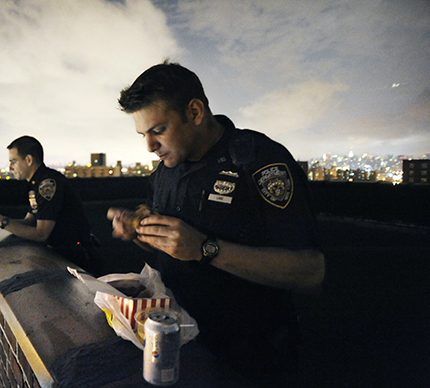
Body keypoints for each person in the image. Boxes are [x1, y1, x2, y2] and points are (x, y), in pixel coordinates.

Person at [107, 62, 325, 386]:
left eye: (158, 130)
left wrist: (206, 249)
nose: (149, 146)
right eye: (143, 134)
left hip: (249, 357)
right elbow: (164, 230)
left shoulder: (259, 161)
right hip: (177, 343)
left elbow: (310, 271)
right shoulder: (165, 170)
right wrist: (137, 227)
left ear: (195, 112)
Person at [0, 136, 94, 270]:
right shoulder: (35, 184)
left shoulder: (48, 184)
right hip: (63, 255)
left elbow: (41, 234)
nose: (10, 167)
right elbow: (29, 221)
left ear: (29, 160)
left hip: (76, 257)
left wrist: (1, 221)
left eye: (14, 161)